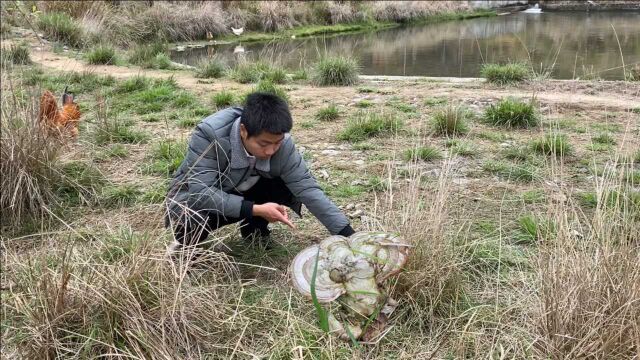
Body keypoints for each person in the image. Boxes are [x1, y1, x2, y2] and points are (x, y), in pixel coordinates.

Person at [165, 92, 355, 258]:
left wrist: (350, 237)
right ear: (243, 131)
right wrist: (256, 209)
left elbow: (307, 189)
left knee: (286, 185)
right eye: (264, 144)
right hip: (194, 198)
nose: (271, 150)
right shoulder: (209, 135)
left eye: (277, 143)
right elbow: (201, 193)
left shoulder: (283, 144)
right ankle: (184, 246)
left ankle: (254, 232)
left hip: (242, 191)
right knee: (191, 217)